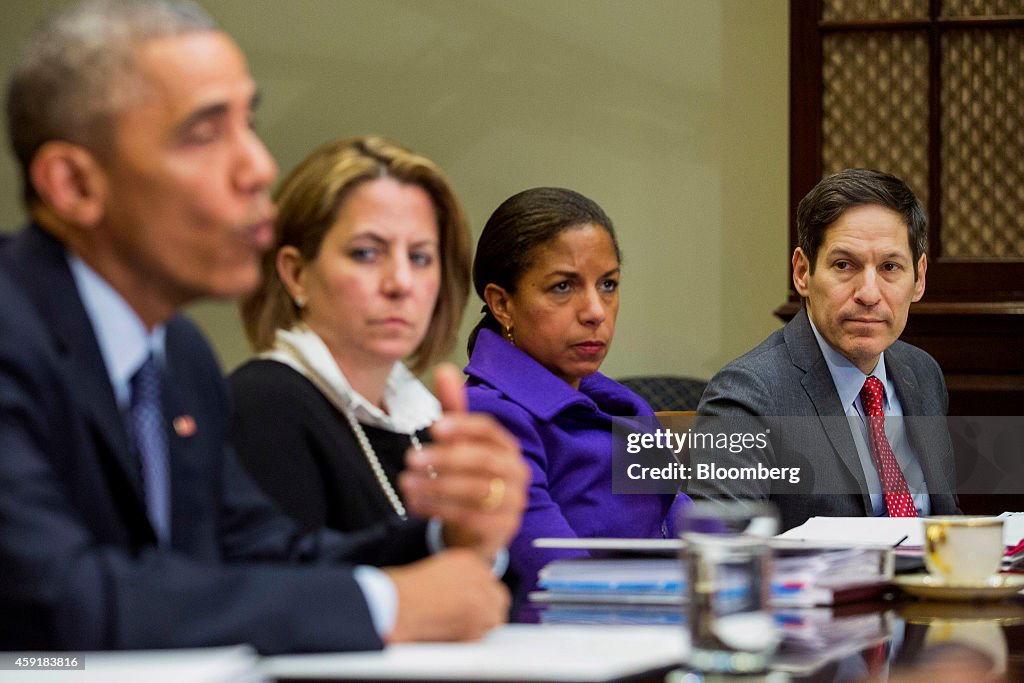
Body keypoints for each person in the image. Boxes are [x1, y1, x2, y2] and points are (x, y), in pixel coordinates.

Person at [0, 0, 527, 653]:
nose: (258, 168)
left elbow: (259, 555)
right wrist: (391, 604)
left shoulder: (178, 353)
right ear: (75, 183)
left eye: (247, 124)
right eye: (203, 133)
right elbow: (50, 604)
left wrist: (444, 536)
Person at [692, 168, 960, 531]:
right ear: (803, 272)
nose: (868, 293)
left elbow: (946, 522)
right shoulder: (748, 394)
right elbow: (727, 554)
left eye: (890, 267)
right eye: (844, 265)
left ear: (920, 278)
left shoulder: (922, 373)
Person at [229, 136, 472, 533]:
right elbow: (291, 588)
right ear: (296, 273)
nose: (400, 283)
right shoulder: (262, 405)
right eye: (366, 253)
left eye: (420, 257)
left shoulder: (421, 420)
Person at [463, 187, 690, 611]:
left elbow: (681, 518)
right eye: (563, 286)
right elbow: (564, 583)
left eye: (608, 284)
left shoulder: (620, 404)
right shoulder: (489, 417)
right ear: (501, 304)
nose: (595, 310)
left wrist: (763, 571)